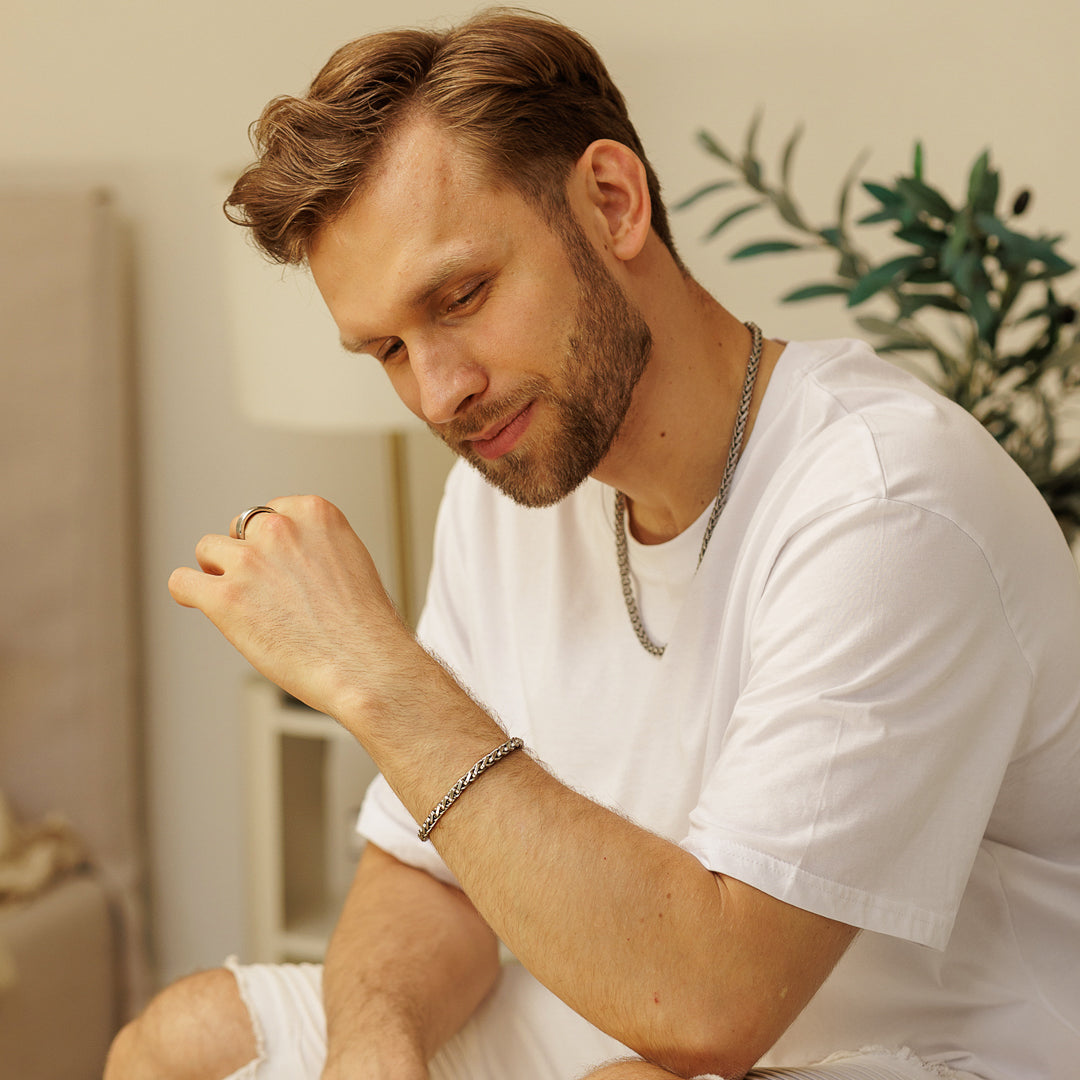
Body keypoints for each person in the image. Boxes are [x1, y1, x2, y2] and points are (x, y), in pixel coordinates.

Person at [105, 9, 1080, 1080]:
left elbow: (712, 1003)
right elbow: (423, 873)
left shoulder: (885, 504)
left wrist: (371, 670)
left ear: (612, 203)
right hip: (632, 1020)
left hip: (942, 1049)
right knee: (182, 1038)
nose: (440, 392)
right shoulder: (513, 482)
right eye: (387, 345)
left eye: (462, 296)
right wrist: (373, 1054)